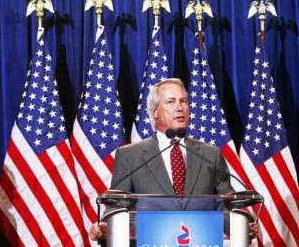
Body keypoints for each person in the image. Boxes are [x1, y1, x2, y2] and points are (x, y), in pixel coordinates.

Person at [89, 78, 235, 241]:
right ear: (155, 112)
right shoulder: (130, 156)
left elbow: (227, 206)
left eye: (184, 101)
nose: (180, 107)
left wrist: (241, 224)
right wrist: (105, 228)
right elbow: (116, 208)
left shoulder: (210, 154)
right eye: (171, 102)